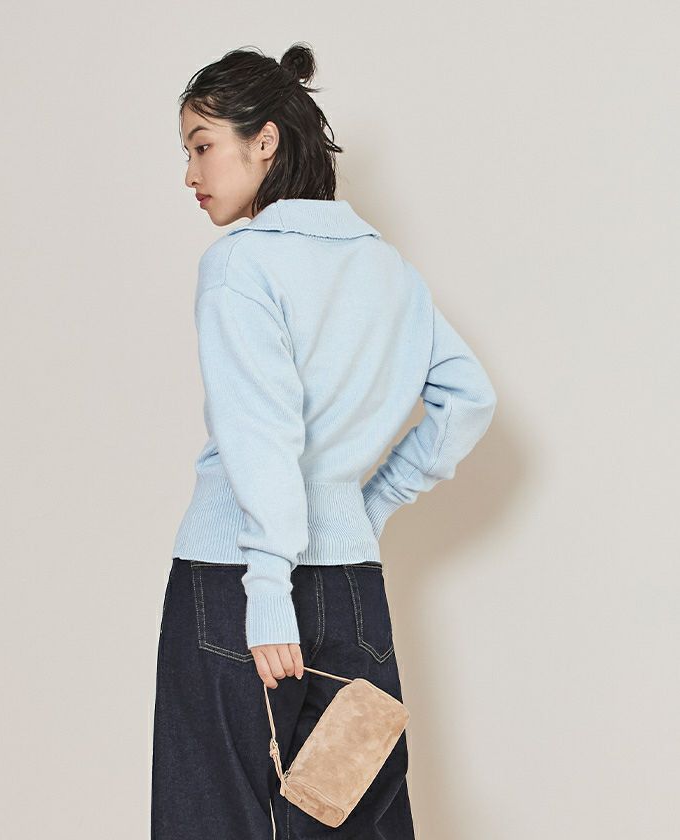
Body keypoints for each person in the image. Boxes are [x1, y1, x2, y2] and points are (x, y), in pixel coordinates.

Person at [151, 42, 497, 840]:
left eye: (202, 146)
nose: (191, 174)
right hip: (350, 589)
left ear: (264, 141)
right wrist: (364, 507)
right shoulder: (388, 269)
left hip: (236, 583)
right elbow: (468, 399)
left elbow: (263, 431)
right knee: (353, 816)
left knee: (216, 820)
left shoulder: (240, 266)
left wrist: (269, 590)